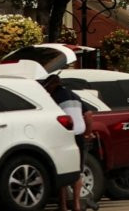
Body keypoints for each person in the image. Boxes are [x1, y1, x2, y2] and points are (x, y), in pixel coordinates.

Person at [41, 72, 91, 211]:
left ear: (51, 85)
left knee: (63, 169)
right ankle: (76, 205)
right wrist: (88, 133)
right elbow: (88, 114)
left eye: (46, 87)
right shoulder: (74, 96)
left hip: (65, 135)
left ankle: (63, 206)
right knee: (77, 170)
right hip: (79, 135)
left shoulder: (53, 98)